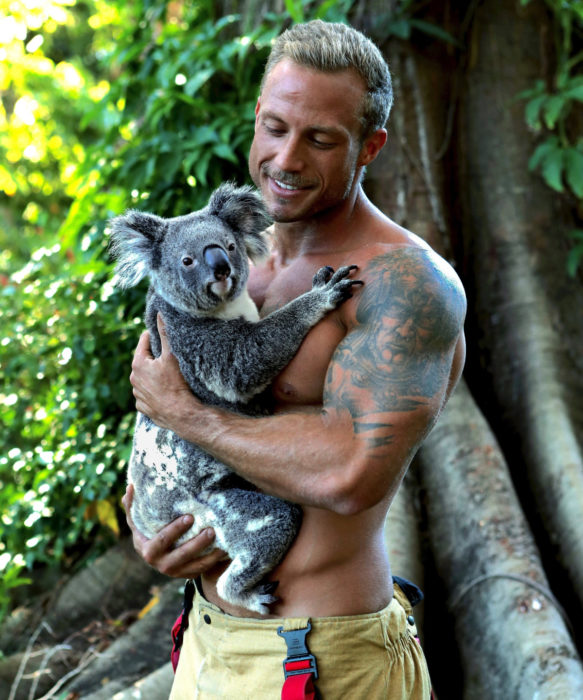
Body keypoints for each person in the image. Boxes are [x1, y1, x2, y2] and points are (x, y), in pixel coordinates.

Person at [124, 19, 466, 699]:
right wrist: (152, 532)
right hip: (205, 640)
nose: (286, 159)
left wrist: (188, 415)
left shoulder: (405, 284)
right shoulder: (220, 259)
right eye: (275, 128)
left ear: (369, 146)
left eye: (319, 139)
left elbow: (348, 470)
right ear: (256, 117)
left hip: (319, 657)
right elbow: (154, 425)